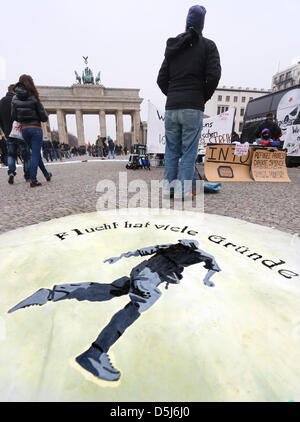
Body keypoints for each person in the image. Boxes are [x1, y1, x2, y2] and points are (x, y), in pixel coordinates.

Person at [8, 239, 221, 382]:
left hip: (139, 271)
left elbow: (145, 250)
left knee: (111, 290)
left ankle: (51, 293)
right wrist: (207, 280)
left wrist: (121, 256)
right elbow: (212, 264)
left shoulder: (171, 246)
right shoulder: (198, 253)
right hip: (150, 280)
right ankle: (95, 353)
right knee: (135, 307)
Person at [157, 5, 221, 199]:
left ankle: (168, 188)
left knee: (171, 150)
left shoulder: (173, 46)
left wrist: (174, 94)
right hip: (193, 105)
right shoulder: (208, 46)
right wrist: (201, 97)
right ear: (202, 24)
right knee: (189, 152)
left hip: (172, 106)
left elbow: (161, 78)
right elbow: (214, 75)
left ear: (186, 22)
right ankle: (182, 191)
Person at [11, 75, 52, 187]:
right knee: (35, 154)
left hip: (24, 130)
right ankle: (33, 180)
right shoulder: (34, 97)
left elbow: (14, 116)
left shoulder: (14, 99)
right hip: (35, 129)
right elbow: (44, 117)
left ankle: (46, 174)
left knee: (36, 154)